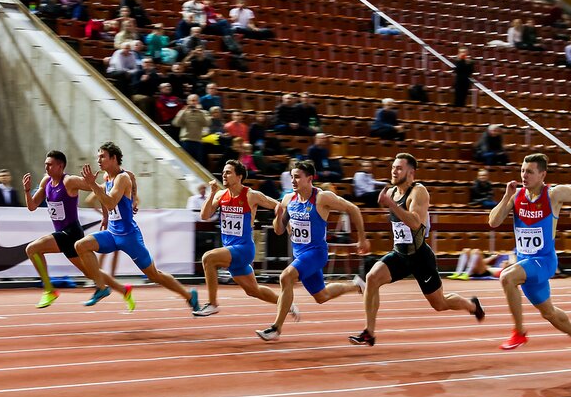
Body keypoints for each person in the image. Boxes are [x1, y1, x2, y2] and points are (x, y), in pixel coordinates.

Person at [350, 154, 484, 346]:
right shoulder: (392, 192)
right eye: (393, 167)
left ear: (411, 173)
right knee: (372, 278)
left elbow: (414, 223)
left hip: (420, 257)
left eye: (399, 168)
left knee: (439, 304)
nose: (394, 171)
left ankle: (472, 305)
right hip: (399, 255)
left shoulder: (418, 192)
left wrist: (391, 204)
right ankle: (369, 333)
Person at [488, 153, 571, 361]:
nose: (524, 175)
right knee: (549, 313)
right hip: (525, 262)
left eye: (530, 172)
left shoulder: (554, 194)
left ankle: (519, 332)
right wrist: (507, 196)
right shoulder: (516, 196)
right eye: (522, 171)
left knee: (507, 277)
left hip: (544, 261)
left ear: (542, 175)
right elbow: (493, 222)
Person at [74, 142, 200, 311]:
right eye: (98, 157)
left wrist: (93, 185)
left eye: (102, 157)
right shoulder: (108, 178)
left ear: (114, 158)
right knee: (81, 246)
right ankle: (101, 287)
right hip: (112, 234)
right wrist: (106, 216)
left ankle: (189, 295)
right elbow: (114, 194)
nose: (98, 160)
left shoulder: (122, 178)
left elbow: (111, 202)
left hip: (129, 237)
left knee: (154, 275)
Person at [256, 160, 370, 341]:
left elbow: (353, 209)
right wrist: (278, 216)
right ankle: (356, 285)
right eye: (292, 177)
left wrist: (362, 239)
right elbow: (278, 230)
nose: (293, 181)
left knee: (286, 277)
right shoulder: (288, 199)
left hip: (316, 253)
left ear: (309, 178)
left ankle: (276, 328)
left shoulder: (322, 198)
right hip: (300, 255)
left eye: (297, 177)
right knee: (321, 296)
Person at [195, 159, 298, 317]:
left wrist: (286, 225)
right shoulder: (221, 195)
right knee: (253, 290)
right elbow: (204, 215)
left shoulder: (251, 195)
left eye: (228, 172)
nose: (224, 175)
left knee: (208, 258)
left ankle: (212, 304)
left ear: (239, 177)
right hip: (230, 250)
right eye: (223, 172)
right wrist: (212, 193)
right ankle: (286, 303)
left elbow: (278, 205)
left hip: (243, 249)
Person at [22, 150, 124, 309]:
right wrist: (27, 191)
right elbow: (32, 206)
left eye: (49, 165)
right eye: (45, 164)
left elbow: (99, 189)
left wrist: (105, 215)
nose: (46, 167)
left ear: (60, 166)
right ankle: (124, 290)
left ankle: (49, 291)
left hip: (71, 232)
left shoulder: (69, 181)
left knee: (32, 249)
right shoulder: (46, 182)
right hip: (63, 234)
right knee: (91, 273)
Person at [448, 248, 515, 280]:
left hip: (488, 272)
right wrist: (493, 257)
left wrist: (506, 264)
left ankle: (467, 273)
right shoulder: (508, 254)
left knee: (476, 251)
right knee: (466, 250)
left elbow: (512, 265)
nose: (503, 262)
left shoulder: (512, 258)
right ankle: (458, 273)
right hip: (484, 268)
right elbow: (483, 262)